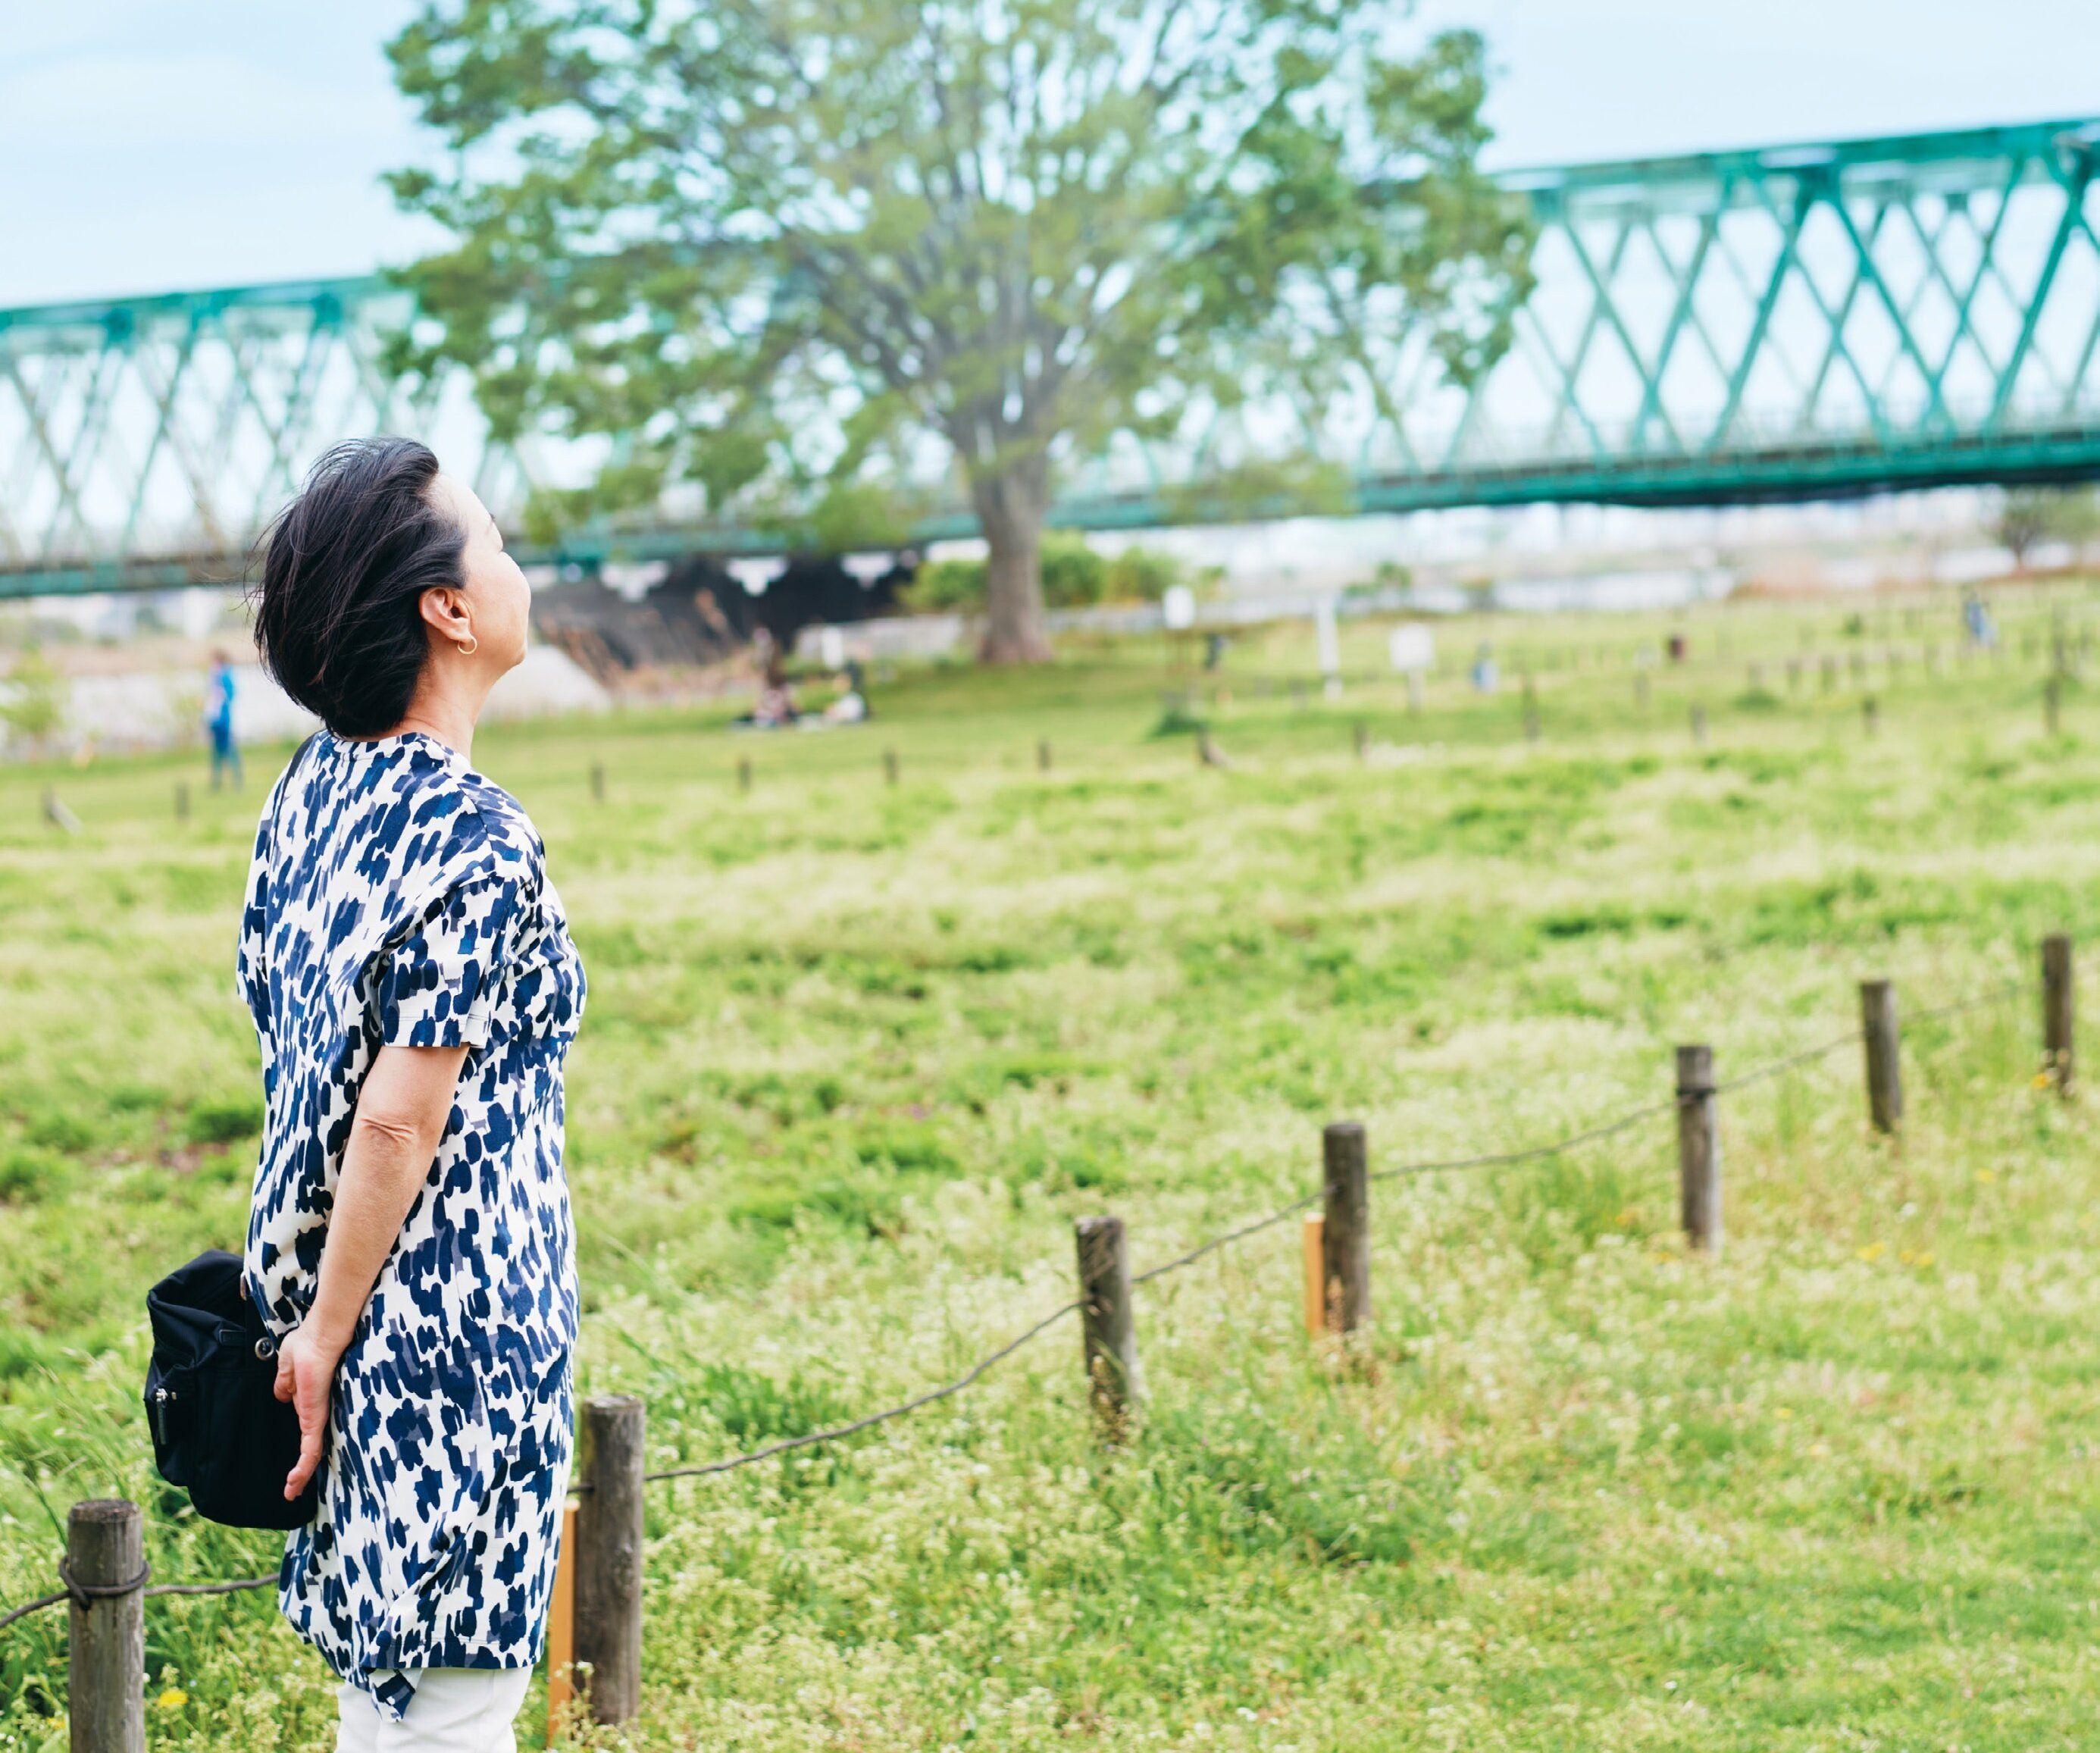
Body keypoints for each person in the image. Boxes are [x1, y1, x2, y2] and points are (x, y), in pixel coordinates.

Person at [240, 437, 586, 1753]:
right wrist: (330, 1337)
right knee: (451, 1715)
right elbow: (397, 1111)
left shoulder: (313, 790)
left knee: (383, 1706)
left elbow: (294, 1030)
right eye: (494, 545)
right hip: (452, 1335)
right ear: (445, 607)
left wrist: (312, 1324)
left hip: (330, 1299)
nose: (515, 568)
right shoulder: (477, 831)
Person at [206, 648, 242, 790]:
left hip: (223, 720)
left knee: (229, 750)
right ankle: (216, 782)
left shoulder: (224, 676)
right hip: (215, 719)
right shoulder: (214, 676)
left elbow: (229, 696)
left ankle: (236, 780)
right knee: (216, 752)